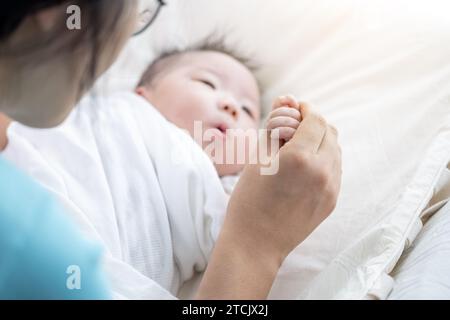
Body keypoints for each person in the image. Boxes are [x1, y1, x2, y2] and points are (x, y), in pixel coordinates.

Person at [0, 0, 341, 299]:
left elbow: (242, 212)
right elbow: (249, 230)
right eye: (206, 83)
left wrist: (275, 152)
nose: (230, 106)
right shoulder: (115, 110)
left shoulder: (216, 183)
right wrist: (257, 246)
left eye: (249, 112)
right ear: (143, 93)